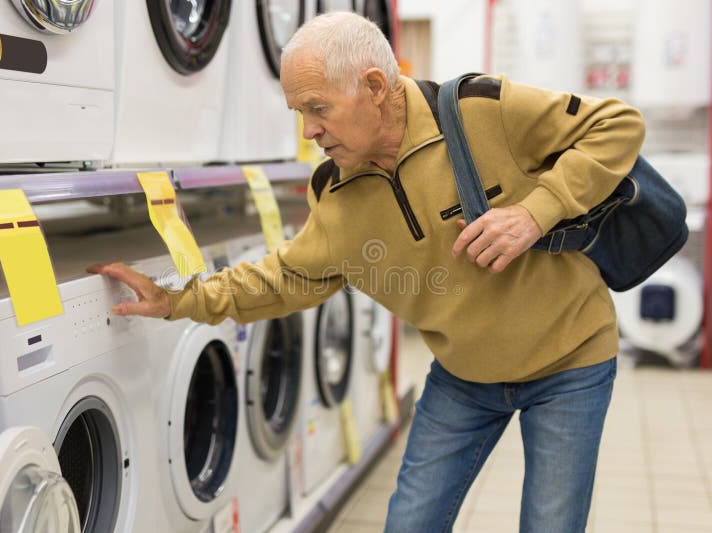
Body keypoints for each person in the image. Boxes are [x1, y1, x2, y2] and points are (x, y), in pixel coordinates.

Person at [89, 11, 645, 533]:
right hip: (465, 378)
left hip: (571, 360)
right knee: (408, 523)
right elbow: (284, 278)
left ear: (375, 88)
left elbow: (618, 125)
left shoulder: (481, 113)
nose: (308, 130)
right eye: (298, 113)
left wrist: (535, 211)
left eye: (318, 108)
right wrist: (176, 300)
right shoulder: (336, 195)